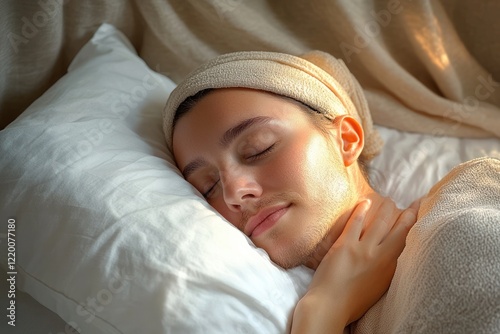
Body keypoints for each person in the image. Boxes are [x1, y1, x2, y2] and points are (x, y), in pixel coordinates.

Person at [162, 50, 500, 333]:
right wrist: (323, 312)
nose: (234, 191)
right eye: (208, 187)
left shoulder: (471, 195)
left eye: (258, 149)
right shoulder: (319, 315)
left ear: (346, 140)